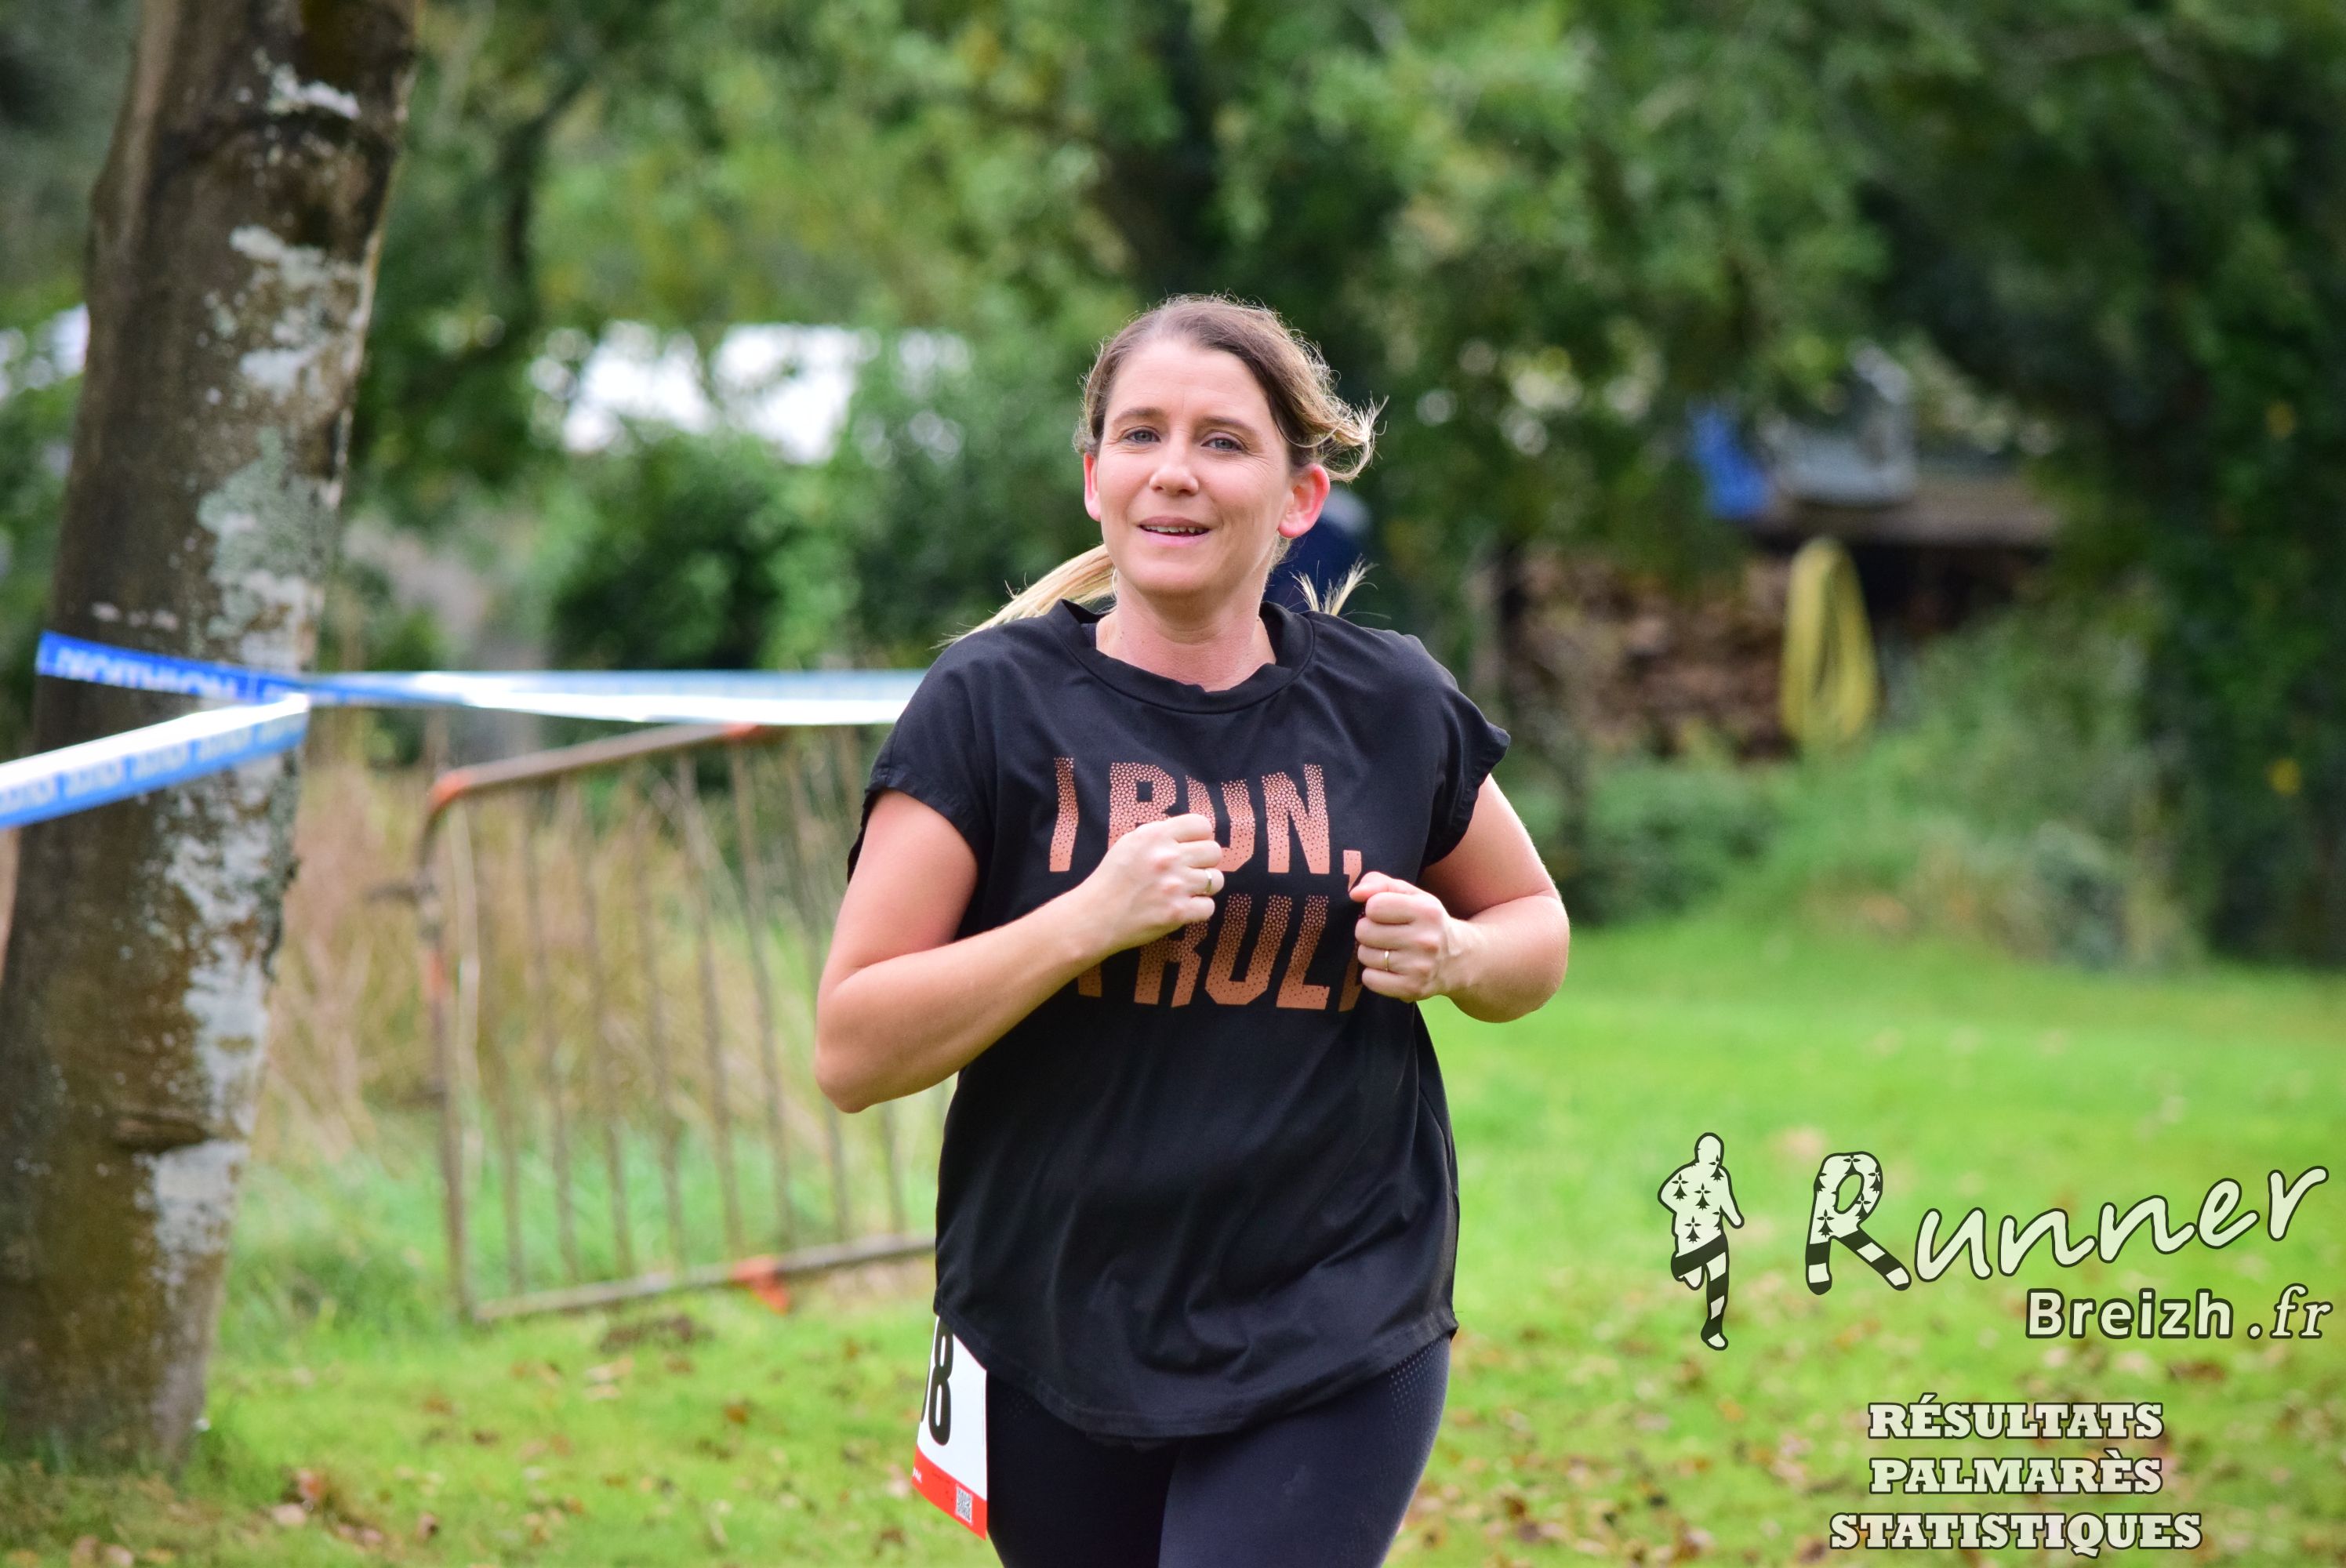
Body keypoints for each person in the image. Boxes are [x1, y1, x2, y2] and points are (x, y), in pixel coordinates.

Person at [815, 296, 1571, 1567]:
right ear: (1095, 477)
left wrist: (1460, 956)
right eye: (1142, 435)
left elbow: (1534, 926)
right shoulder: (987, 706)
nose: (1176, 470)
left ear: (1298, 498)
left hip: (1334, 1308)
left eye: (1223, 442)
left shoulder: (1389, 702)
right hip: (1052, 1319)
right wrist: (1081, 923)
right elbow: (852, 1048)